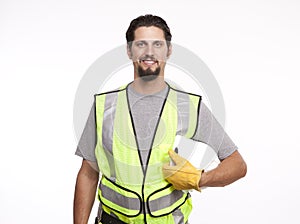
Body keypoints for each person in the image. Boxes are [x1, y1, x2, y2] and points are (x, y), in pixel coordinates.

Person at [73, 14, 247, 224]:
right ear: (129, 51)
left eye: (157, 44)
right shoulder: (105, 105)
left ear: (169, 50)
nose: (149, 52)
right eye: (141, 44)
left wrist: (199, 179)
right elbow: (88, 173)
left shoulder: (187, 106)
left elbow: (237, 164)